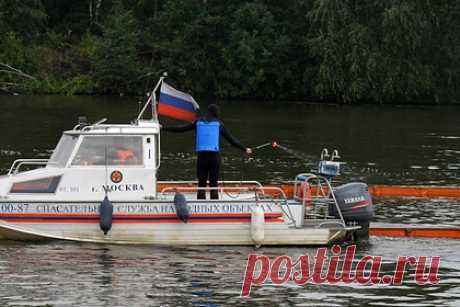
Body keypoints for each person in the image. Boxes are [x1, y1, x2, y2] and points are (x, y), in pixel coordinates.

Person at [162, 104, 252, 199]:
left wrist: (164, 128)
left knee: (201, 185)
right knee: (214, 185)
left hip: (202, 158)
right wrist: (245, 149)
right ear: (216, 113)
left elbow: (181, 129)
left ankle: (200, 207)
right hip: (214, 158)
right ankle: (214, 207)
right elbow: (232, 140)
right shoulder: (219, 124)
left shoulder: (198, 122)